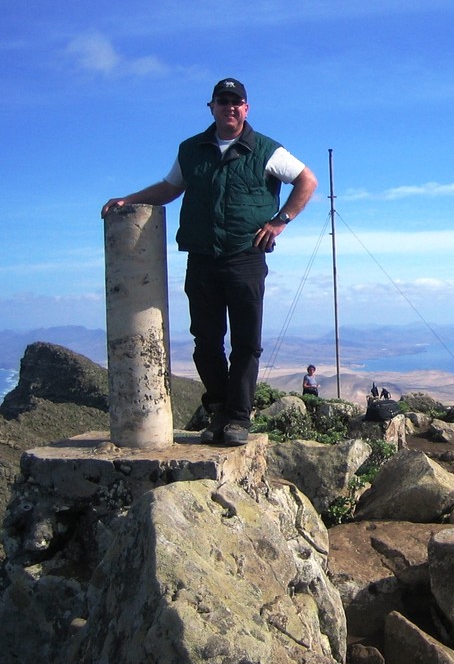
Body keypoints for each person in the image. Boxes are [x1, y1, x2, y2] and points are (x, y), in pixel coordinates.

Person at [101, 78, 317, 446]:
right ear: (212, 107)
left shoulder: (265, 150)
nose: (230, 107)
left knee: (246, 343)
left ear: (246, 108)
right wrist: (130, 199)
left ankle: (238, 418)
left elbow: (306, 180)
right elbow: (170, 188)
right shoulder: (191, 150)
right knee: (205, 340)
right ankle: (219, 409)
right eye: (223, 101)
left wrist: (280, 221)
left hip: (245, 257)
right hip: (202, 258)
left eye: (237, 102)